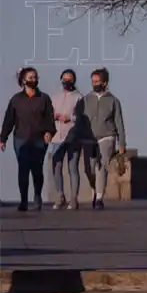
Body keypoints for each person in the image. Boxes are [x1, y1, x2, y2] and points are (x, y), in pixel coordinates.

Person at [0, 67, 56, 211]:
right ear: (24, 80)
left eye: (35, 77)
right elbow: (9, 120)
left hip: (39, 139)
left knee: (37, 169)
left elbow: (49, 118)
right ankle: (23, 200)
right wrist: (3, 139)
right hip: (21, 138)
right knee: (23, 169)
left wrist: (49, 132)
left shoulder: (44, 98)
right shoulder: (16, 100)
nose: (34, 80)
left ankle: (37, 196)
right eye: (30, 78)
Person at [74, 68, 127, 210]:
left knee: (101, 166)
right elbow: (79, 121)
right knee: (89, 169)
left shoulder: (113, 101)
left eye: (97, 81)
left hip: (107, 136)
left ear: (105, 82)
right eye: (93, 81)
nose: (95, 84)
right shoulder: (85, 100)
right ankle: (96, 188)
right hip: (88, 137)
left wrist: (122, 143)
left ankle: (99, 198)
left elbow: (119, 122)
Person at [49, 69, 84, 209]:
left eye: (69, 79)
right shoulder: (54, 97)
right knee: (56, 166)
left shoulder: (79, 97)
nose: (66, 81)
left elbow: (82, 117)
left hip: (73, 136)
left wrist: (70, 118)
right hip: (56, 137)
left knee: (72, 167)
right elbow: (48, 114)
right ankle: (60, 196)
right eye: (64, 79)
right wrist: (53, 117)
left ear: (74, 81)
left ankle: (74, 198)